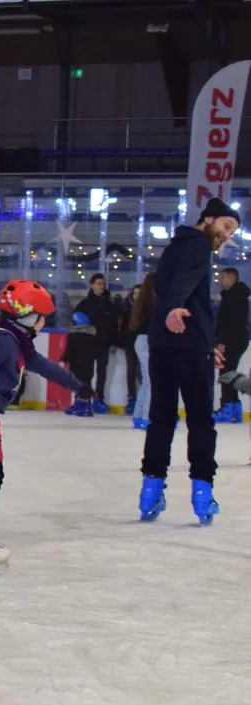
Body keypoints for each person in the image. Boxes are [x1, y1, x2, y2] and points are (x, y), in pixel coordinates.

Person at [0, 280, 83, 574]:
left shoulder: (18, 344)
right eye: (42, 317)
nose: (44, 323)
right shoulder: (4, 341)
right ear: (28, 316)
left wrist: (76, 385)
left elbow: (45, 367)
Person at [138, 197, 237, 526]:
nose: (227, 235)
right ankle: (202, 494)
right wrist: (174, 309)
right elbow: (185, 285)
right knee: (200, 421)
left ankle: (150, 492)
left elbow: (177, 286)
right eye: (225, 226)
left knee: (161, 419)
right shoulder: (199, 246)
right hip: (190, 347)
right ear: (209, 219)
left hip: (165, 345)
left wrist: (208, 340)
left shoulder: (175, 245)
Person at [73, 274, 118, 414]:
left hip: (103, 344)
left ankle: (99, 398)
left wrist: (113, 342)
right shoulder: (84, 304)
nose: (102, 286)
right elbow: (76, 322)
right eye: (99, 283)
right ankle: (84, 396)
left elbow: (114, 326)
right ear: (92, 285)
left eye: (103, 284)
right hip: (88, 344)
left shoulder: (110, 305)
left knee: (102, 373)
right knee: (87, 372)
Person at [213, 267, 249, 423]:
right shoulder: (234, 295)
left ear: (231, 278)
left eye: (223, 277)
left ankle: (228, 407)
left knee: (226, 372)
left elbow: (233, 322)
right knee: (229, 371)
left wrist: (223, 342)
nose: (220, 281)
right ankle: (234, 407)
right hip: (237, 338)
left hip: (233, 339)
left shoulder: (234, 296)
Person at [61, 312, 100, 417]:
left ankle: (82, 404)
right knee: (86, 382)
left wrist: (63, 360)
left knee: (79, 384)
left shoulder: (74, 335)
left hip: (77, 364)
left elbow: (69, 349)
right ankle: (84, 403)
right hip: (89, 364)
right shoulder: (92, 335)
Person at [129, 273, 155, 430]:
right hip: (148, 340)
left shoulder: (141, 302)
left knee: (147, 380)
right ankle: (147, 416)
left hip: (140, 340)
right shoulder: (152, 302)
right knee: (152, 380)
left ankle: (139, 416)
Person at [119, 285, 142, 415]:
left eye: (139, 293)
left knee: (142, 372)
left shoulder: (147, 309)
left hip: (143, 343)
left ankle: (145, 398)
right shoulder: (126, 309)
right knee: (131, 371)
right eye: (134, 294)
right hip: (130, 344)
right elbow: (122, 327)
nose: (136, 296)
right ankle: (132, 397)